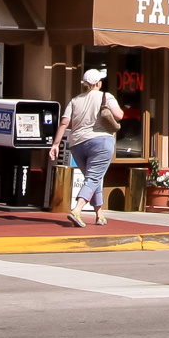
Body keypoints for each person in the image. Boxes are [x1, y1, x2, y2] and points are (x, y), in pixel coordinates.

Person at [48, 68, 121, 228]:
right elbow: (119, 115)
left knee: (94, 177)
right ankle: (77, 210)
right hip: (101, 142)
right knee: (93, 178)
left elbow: (64, 123)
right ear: (98, 83)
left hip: (77, 144)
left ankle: (99, 214)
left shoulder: (74, 100)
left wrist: (55, 144)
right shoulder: (105, 96)